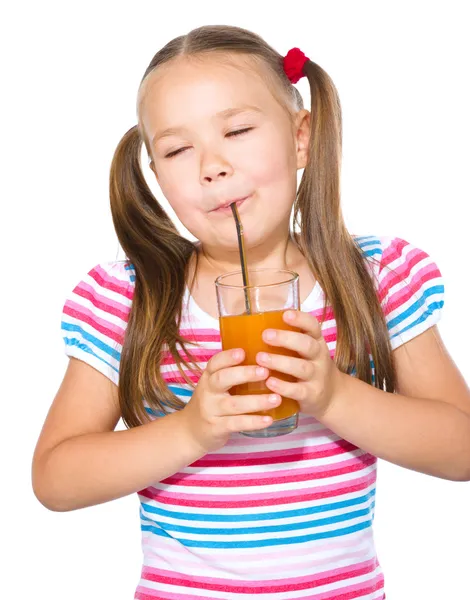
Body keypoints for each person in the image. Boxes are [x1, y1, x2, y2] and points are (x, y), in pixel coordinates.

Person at [32, 24, 470, 600]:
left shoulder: (374, 278)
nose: (210, 166)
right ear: (156, 174)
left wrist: (334, 395)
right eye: (177, 149)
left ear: (300, 137)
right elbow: (56, 480)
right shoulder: (130, 299)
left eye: (236, 130)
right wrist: (191, 429)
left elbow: (461, 449)